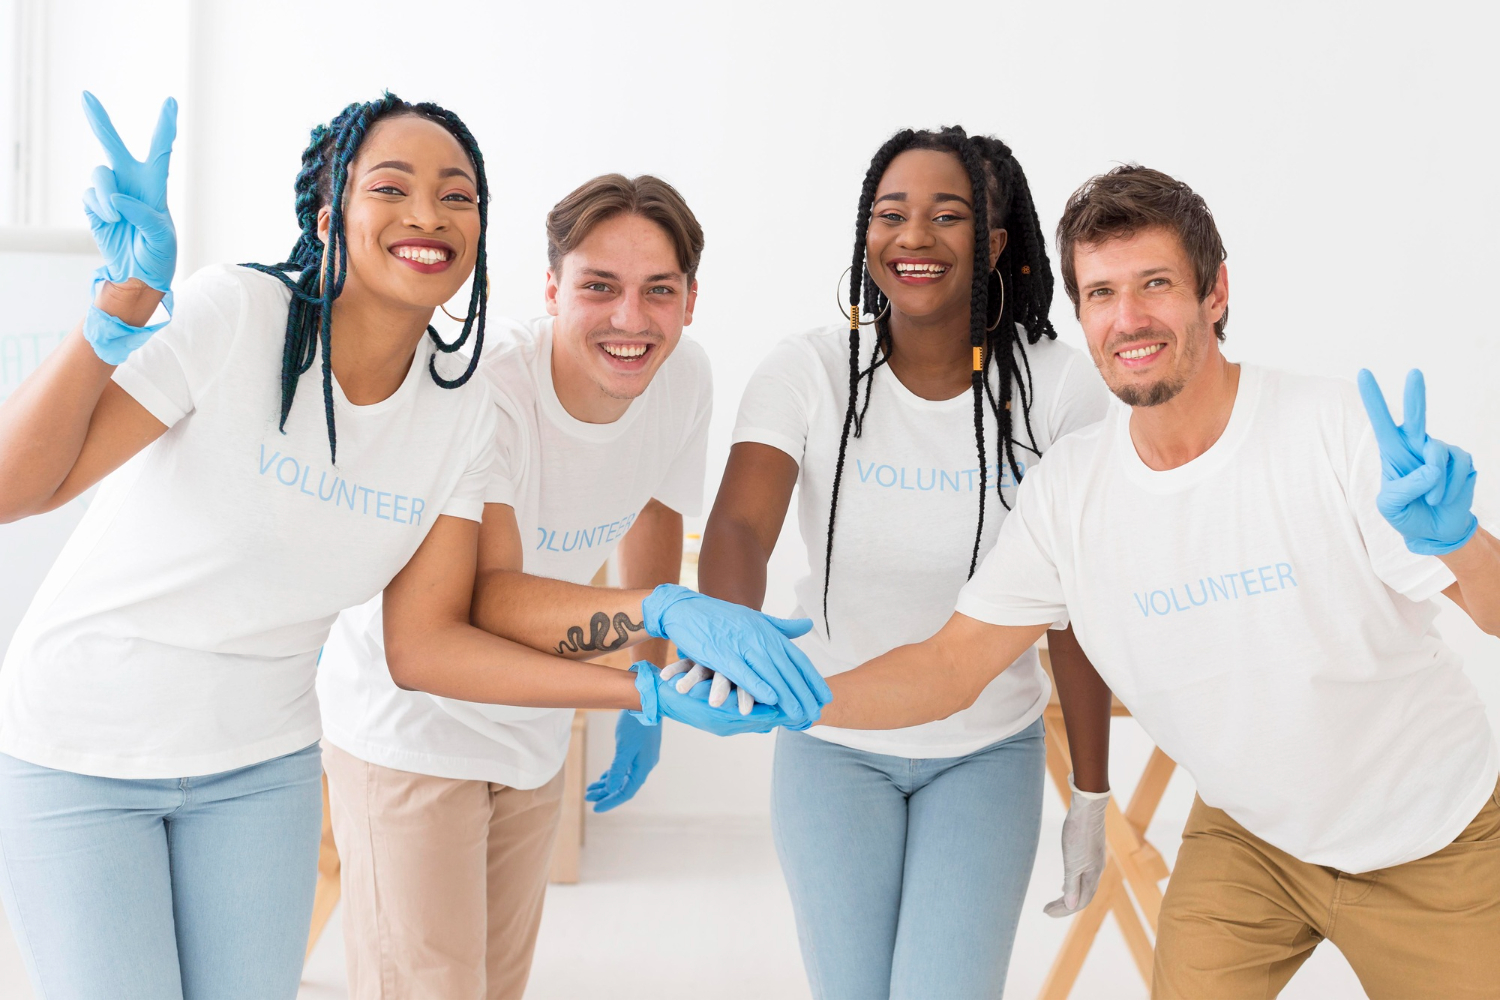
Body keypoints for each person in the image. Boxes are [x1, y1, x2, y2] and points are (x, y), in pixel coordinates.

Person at [0, 93, 806, 1000]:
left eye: (456, 195)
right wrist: (120, 306)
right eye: (391, 187)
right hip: (87, 747)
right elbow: (16, 489)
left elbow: (427, 640)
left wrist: (645, 685)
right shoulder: (241, 314)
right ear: (328, 215)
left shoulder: (457, 409)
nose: (427, 213)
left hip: (260, 766)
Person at [803, 165, 1500, 999]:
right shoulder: (1069, 492)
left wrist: (1460, 542)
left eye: (1155, 284)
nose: (1127, 318)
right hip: (1253, 842)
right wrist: (792, 697)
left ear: (1215, 292)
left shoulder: (1334, 434)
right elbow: (951, 666)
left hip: (1435, 839)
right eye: (1101, 293)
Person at [697, 126, 1113, 1000]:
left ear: (993, 242)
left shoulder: (1059, 387)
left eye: (947, 215)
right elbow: (737, 526)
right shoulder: (810, 369)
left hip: (986, 752)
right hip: (830, 743)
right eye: (891, 214)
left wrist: (1091, 791)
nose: (913, 236)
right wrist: (730, 634)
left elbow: (1076, 606)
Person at [316, 172, 716, 999]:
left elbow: (652, 510)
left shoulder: (683, 379)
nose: (630, 319)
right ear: (552, 288)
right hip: (415, 725)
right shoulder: (488, 392)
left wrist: (649, 676)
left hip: (533, 727)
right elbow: (488, 599)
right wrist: (655, 624)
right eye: (599, 287)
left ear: (689, 300)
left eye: (658, 290)